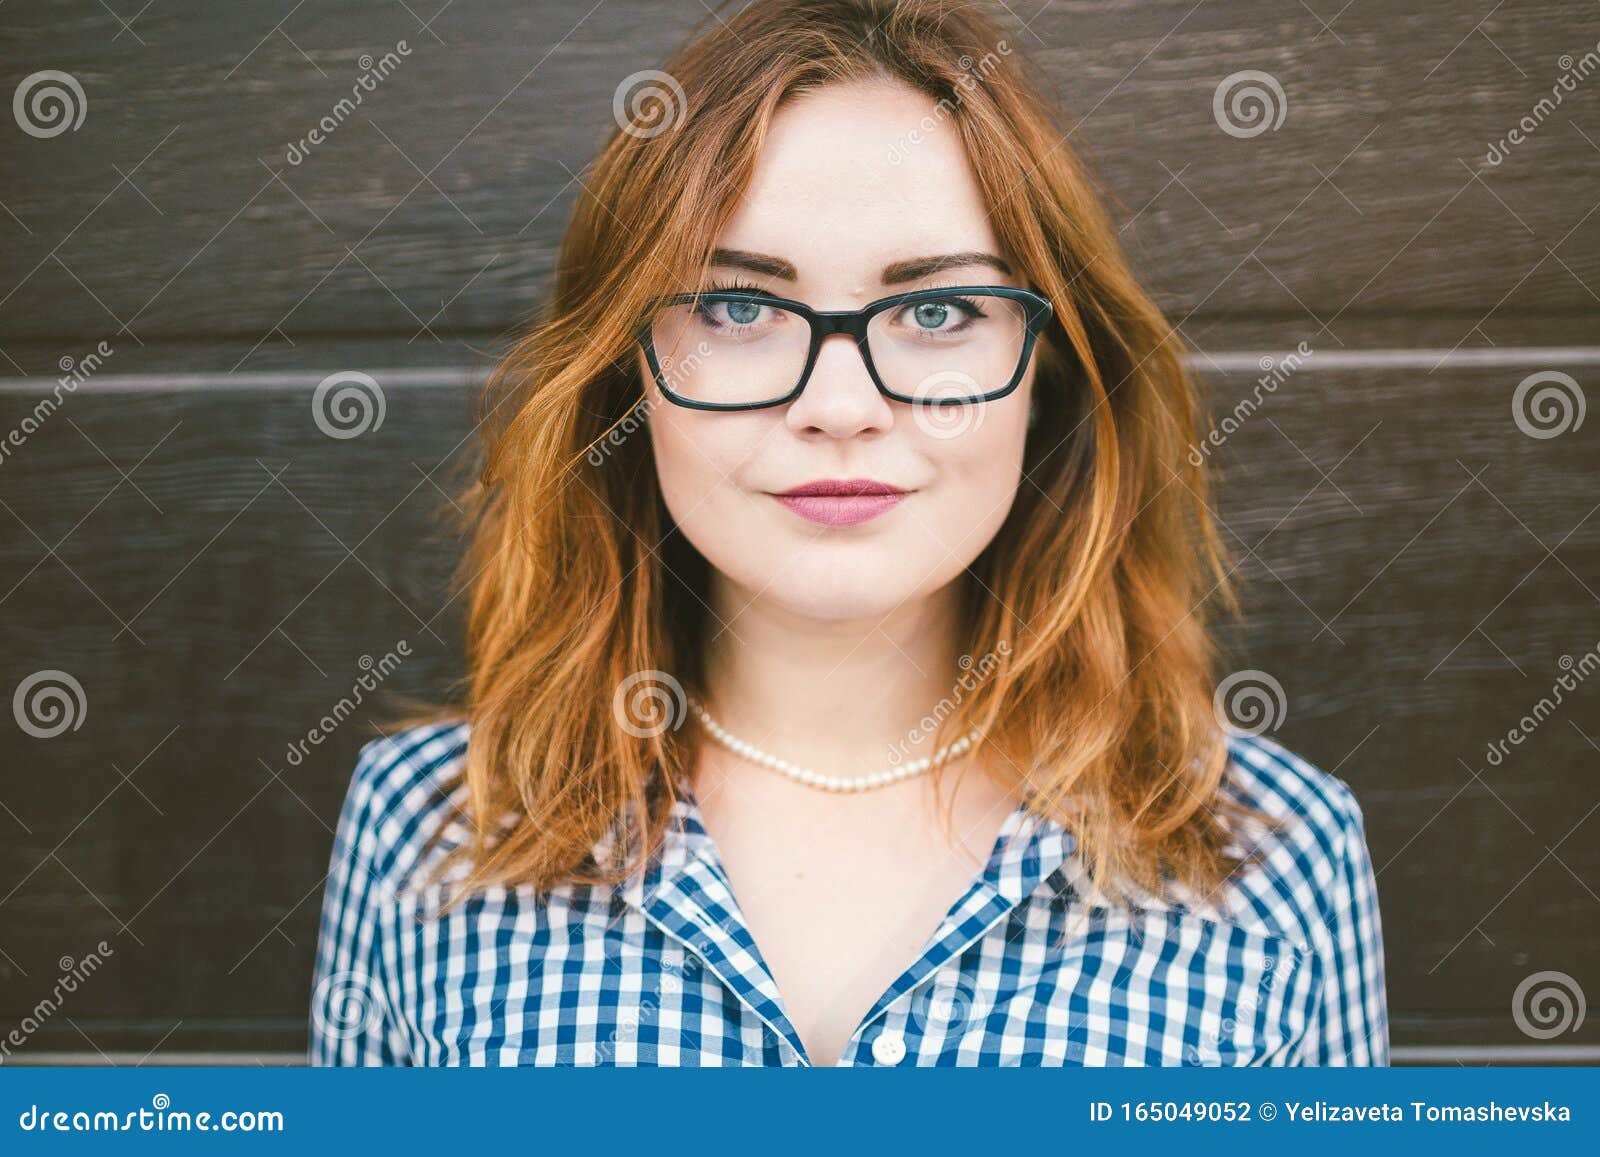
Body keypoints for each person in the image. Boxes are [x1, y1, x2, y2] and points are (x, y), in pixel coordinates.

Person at [310, 0, 1387, 1067]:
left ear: (1048, 371)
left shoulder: (1275, 851)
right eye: (737, 308)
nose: (838, 404)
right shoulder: (428, 825)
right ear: (624, 372)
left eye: (933, 312)